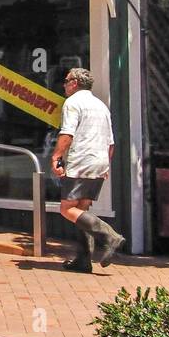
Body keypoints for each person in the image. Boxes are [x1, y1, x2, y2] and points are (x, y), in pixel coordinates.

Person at [51, 67, 124, 271]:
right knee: (81, 210)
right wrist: (105, 164)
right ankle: (83, 260)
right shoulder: (101, 105)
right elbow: (110, 142)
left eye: (66, 81)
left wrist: (57, 156)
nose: (64, 85)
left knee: (67, 209)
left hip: (81, 161)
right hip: (99, 161)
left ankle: (110, 236)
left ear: (74, 82)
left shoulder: (73, 103)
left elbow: (67, 133)